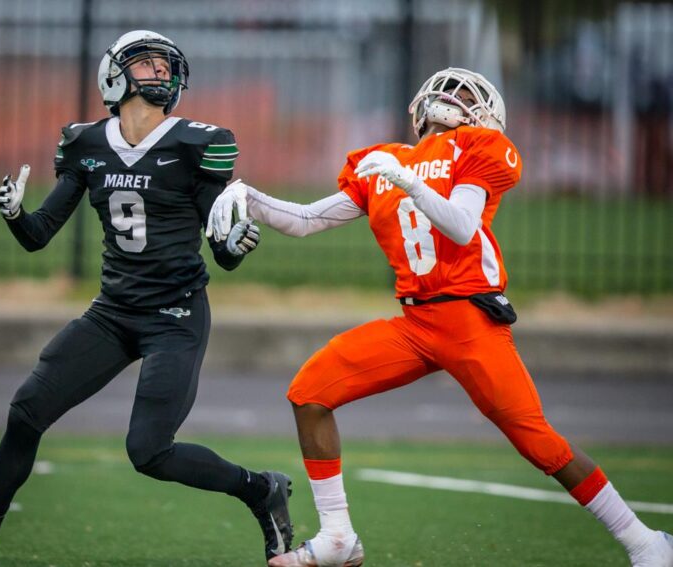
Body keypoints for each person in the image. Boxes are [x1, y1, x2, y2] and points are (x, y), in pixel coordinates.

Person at [206, 67, 673, 567]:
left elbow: (461, 226)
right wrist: (249, 197)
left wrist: (412, 185)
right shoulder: (383, 160)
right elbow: (305, 221)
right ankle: (339, 538)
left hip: (470, 321)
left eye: (469, 93)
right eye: (451, 88)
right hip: (415, 324)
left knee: (538, 441)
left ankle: (645, 542)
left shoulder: (476, 149)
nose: (454, 96)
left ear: (486, 115)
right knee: (310, 391)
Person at [0, 30, 293, 567]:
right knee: (25, 412)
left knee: (149, 452)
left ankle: (260, 489)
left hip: (174, 314)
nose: (160, 74)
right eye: (147, 65)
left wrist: (234, 245)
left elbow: (222, 253)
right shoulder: (85, 143)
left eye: (166, 66)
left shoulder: (197, 144)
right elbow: (39, 235)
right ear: (114, 75)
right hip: (113, 312)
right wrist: (15, 215)